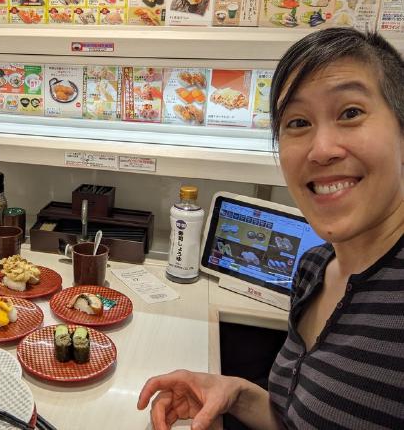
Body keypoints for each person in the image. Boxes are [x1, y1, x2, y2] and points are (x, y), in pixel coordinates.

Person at [138, 28, 404, 429]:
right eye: (297, 122)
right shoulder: (316, 267)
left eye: (350, 113)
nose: (322, 149)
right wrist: (237, 395)